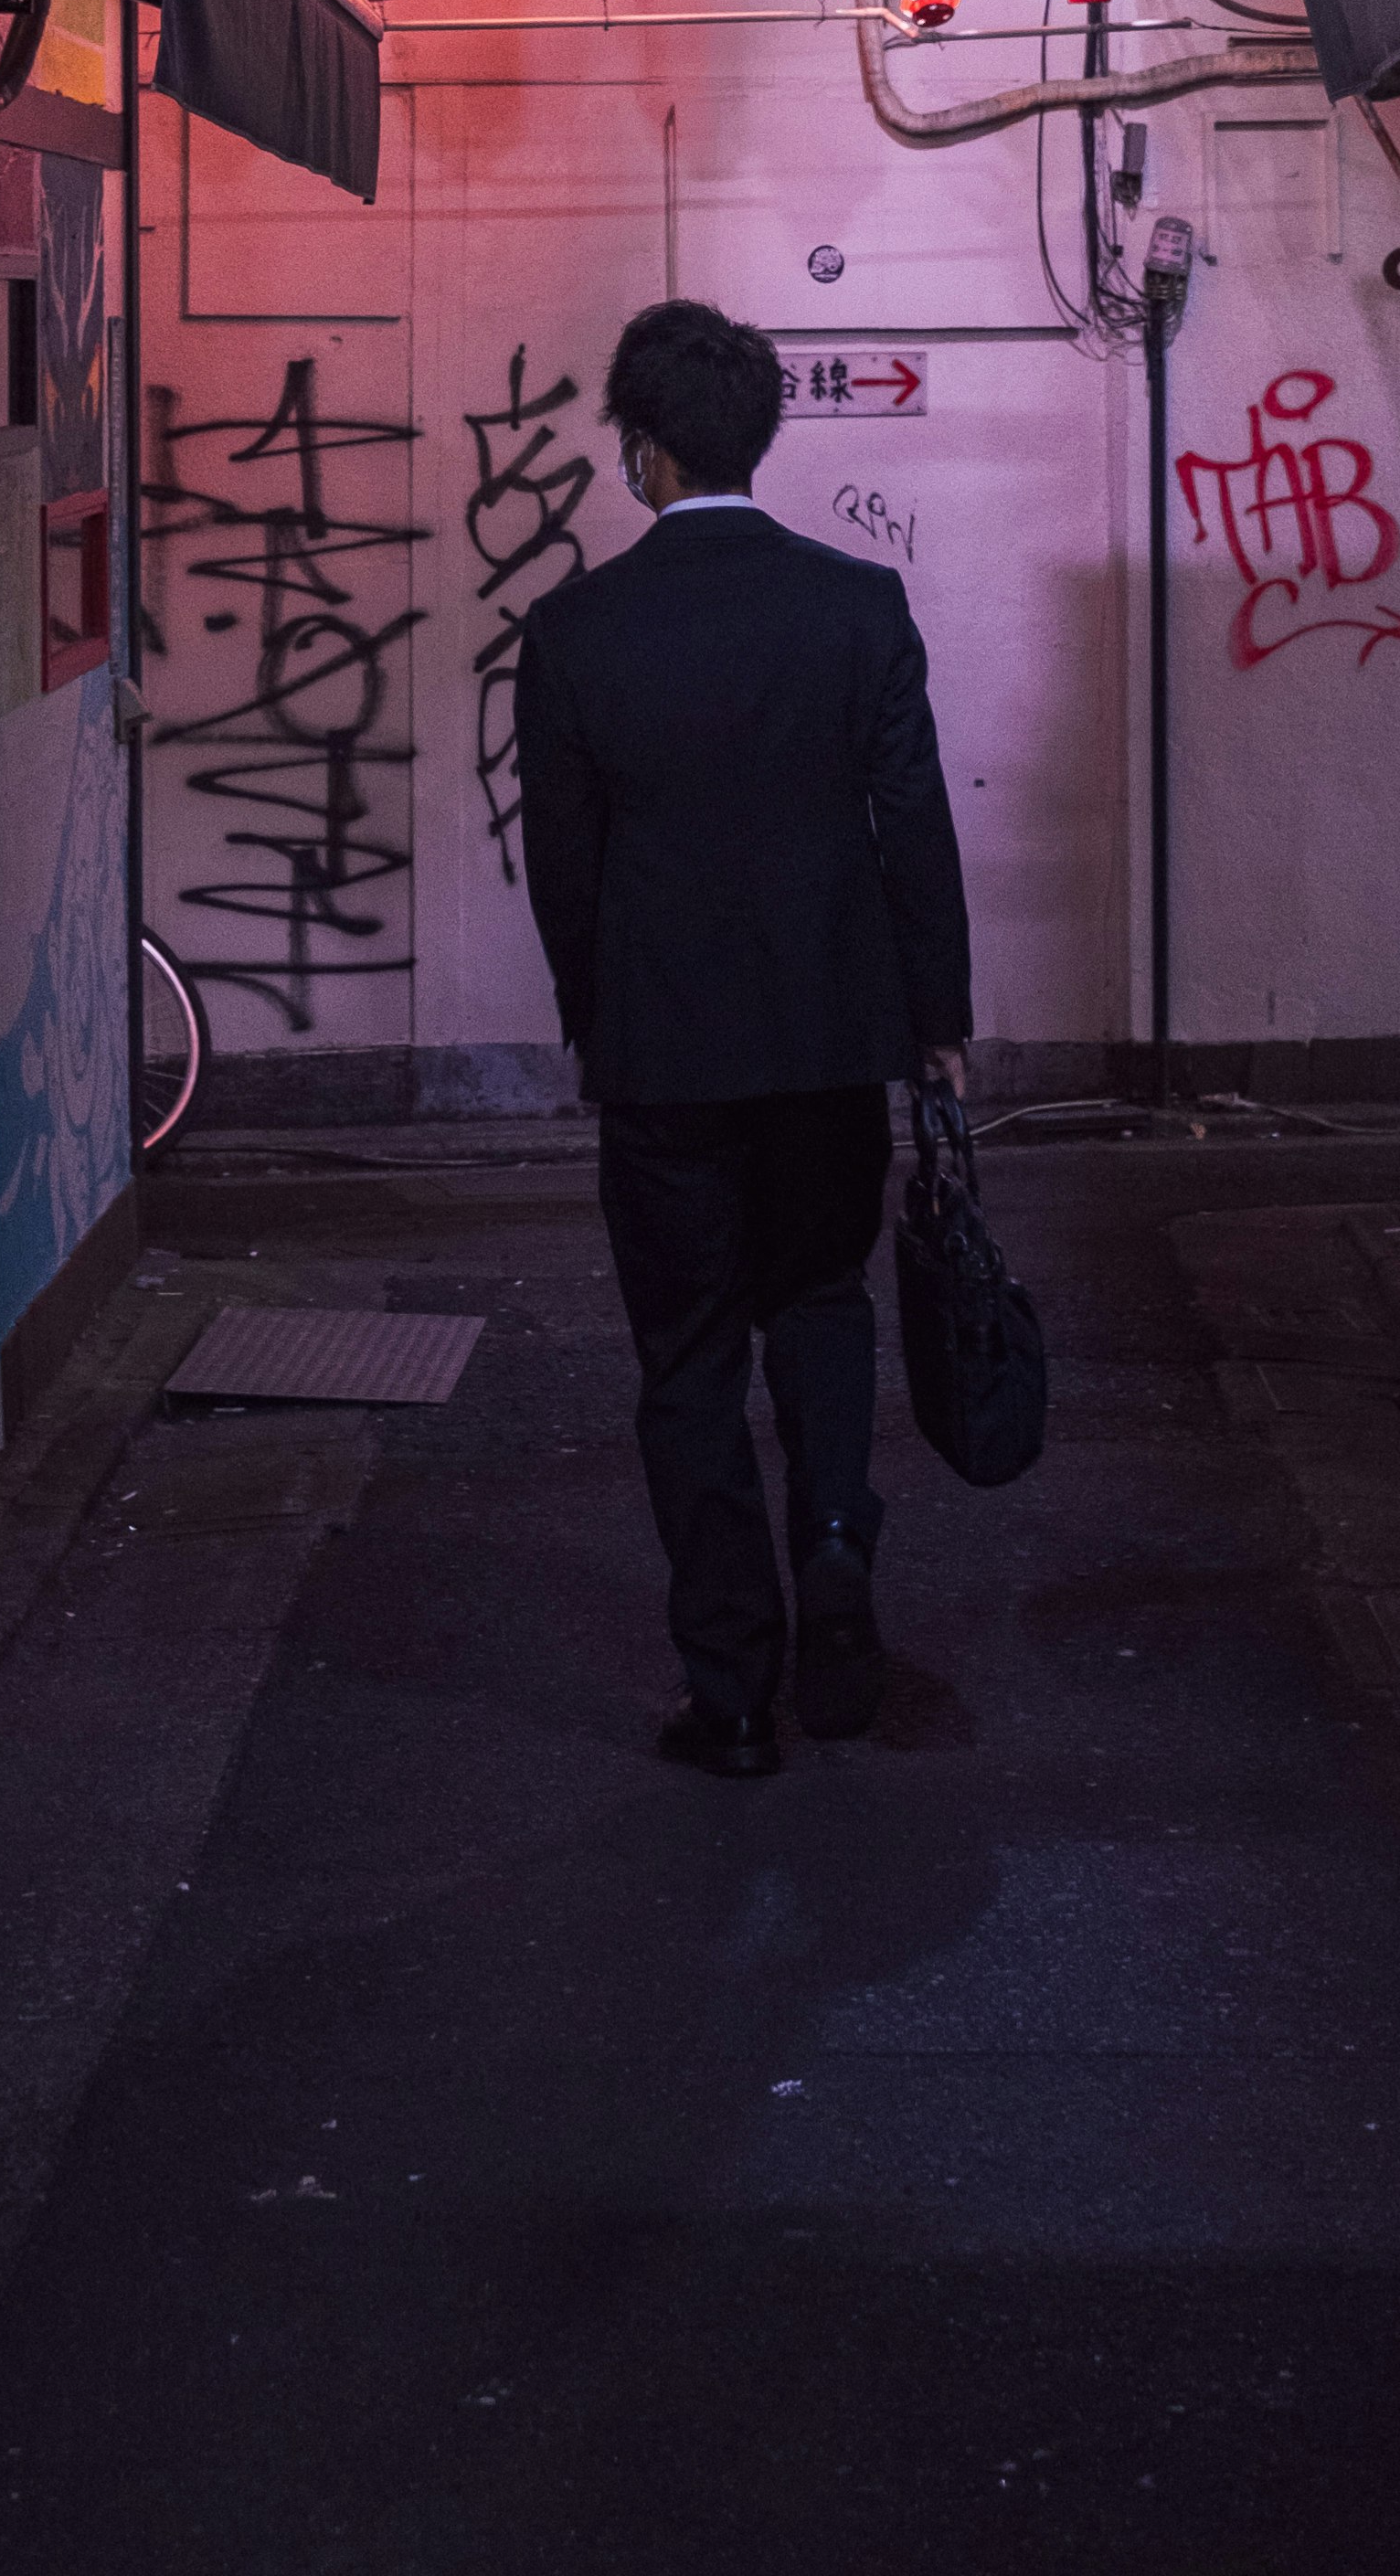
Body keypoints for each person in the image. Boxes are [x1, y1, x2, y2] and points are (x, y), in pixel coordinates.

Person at [516, 298, 974, 1778]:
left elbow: (565, 866)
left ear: (641, 453)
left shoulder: (577, 632)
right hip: (831, 1037)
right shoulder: (857, 609)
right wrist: (936, 1023)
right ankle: (836, 1542)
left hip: (666, 1053)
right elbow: (912, 823)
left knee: (689, 1356)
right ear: (760, 440)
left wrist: (601, 1020)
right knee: (823, 1301)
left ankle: (729, 1689)